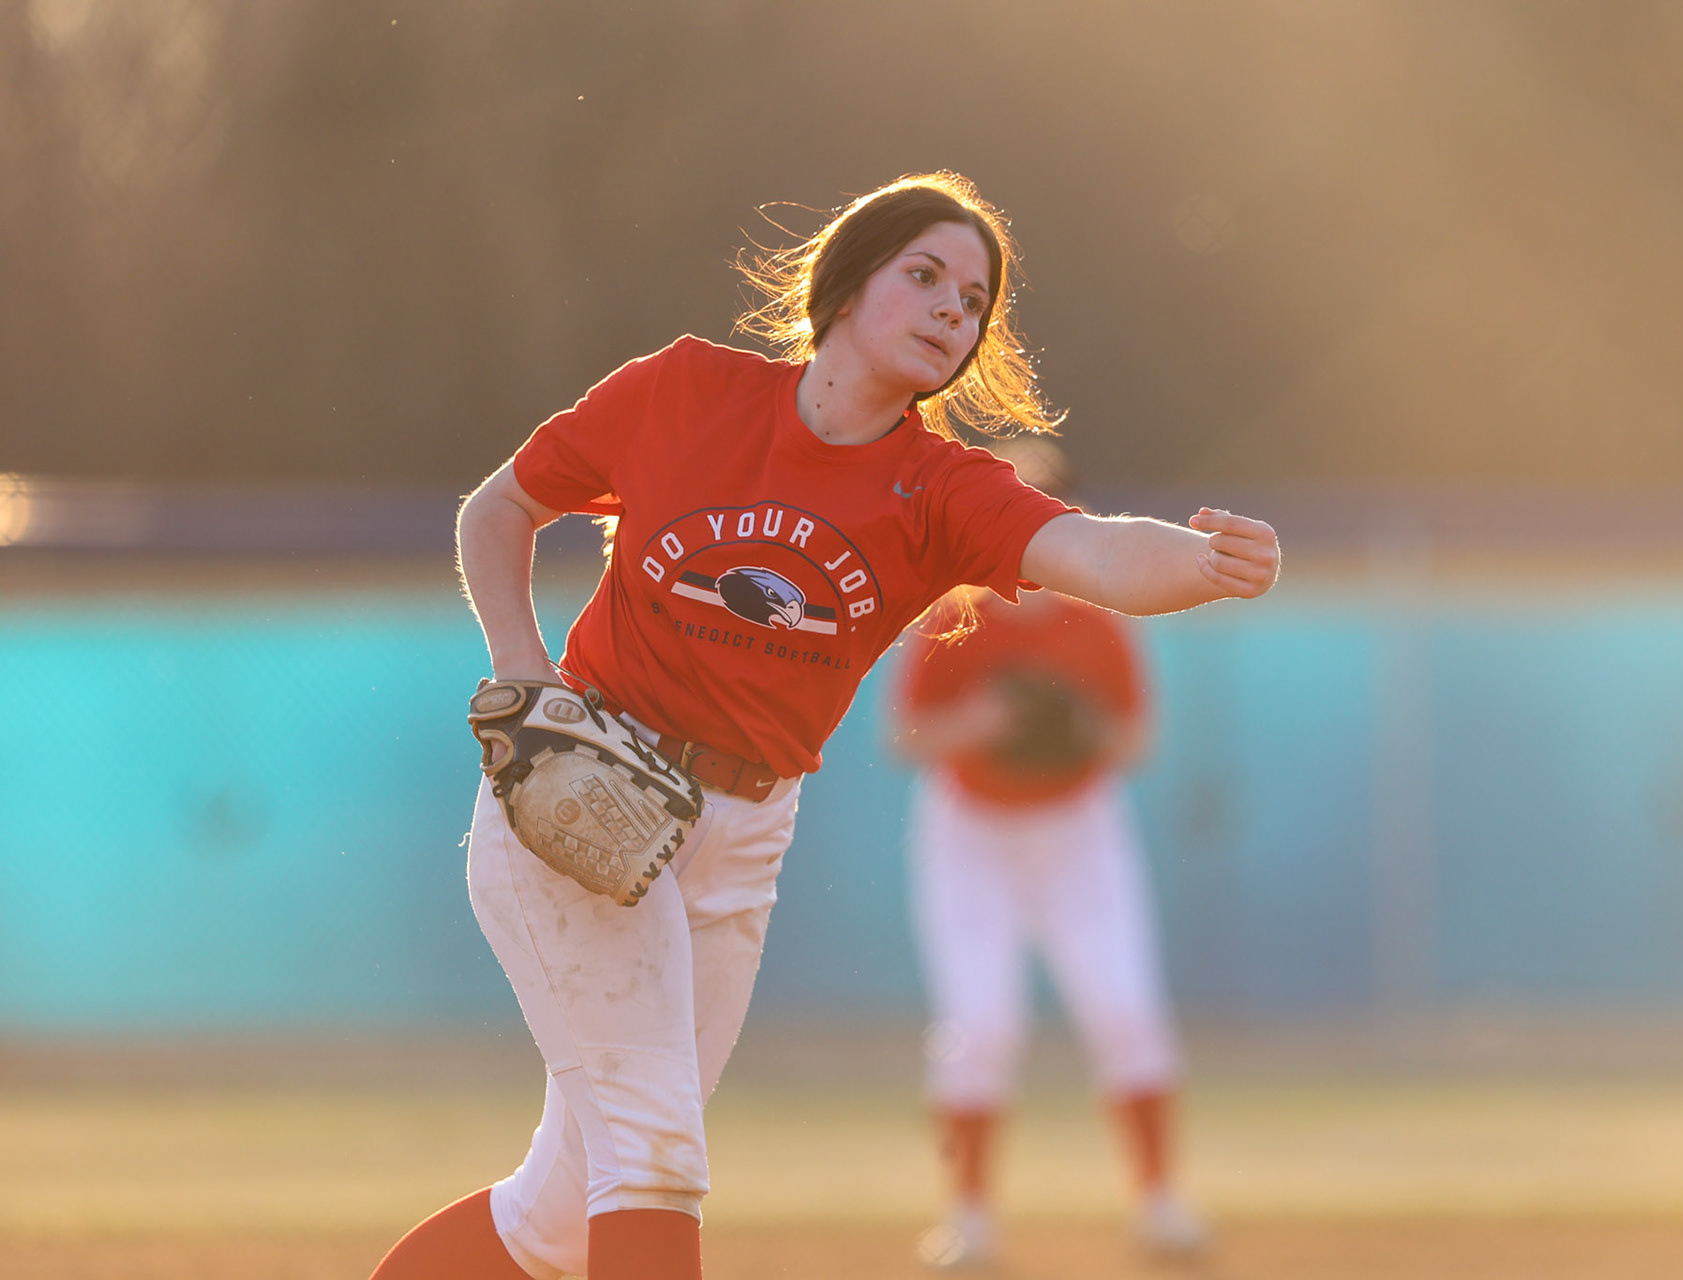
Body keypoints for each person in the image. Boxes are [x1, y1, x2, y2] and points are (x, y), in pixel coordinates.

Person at [368, 172, 1279, 1280]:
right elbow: (499, 506)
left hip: (742, 839)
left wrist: (1208, 563)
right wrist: (524, 673)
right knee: (653, 1153)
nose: (956, 307)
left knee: (563, 1212)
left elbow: (1091, 552)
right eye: (927, 274)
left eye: (976, 299)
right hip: (588, 782)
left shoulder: (940, 489)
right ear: (848, 285)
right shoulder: (686, 390)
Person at [891, 437, 1206, 1269]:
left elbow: (1134, 740)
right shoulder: (955, 614)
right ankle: (968, 1218)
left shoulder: (1093, 621)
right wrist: (984, 722)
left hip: (1076, 827)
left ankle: (1161, 1204)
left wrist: (1074, 723)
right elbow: (905, 737)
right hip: (970, 829)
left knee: (1125, 1010)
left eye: (1040, 499)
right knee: (979, 1024)